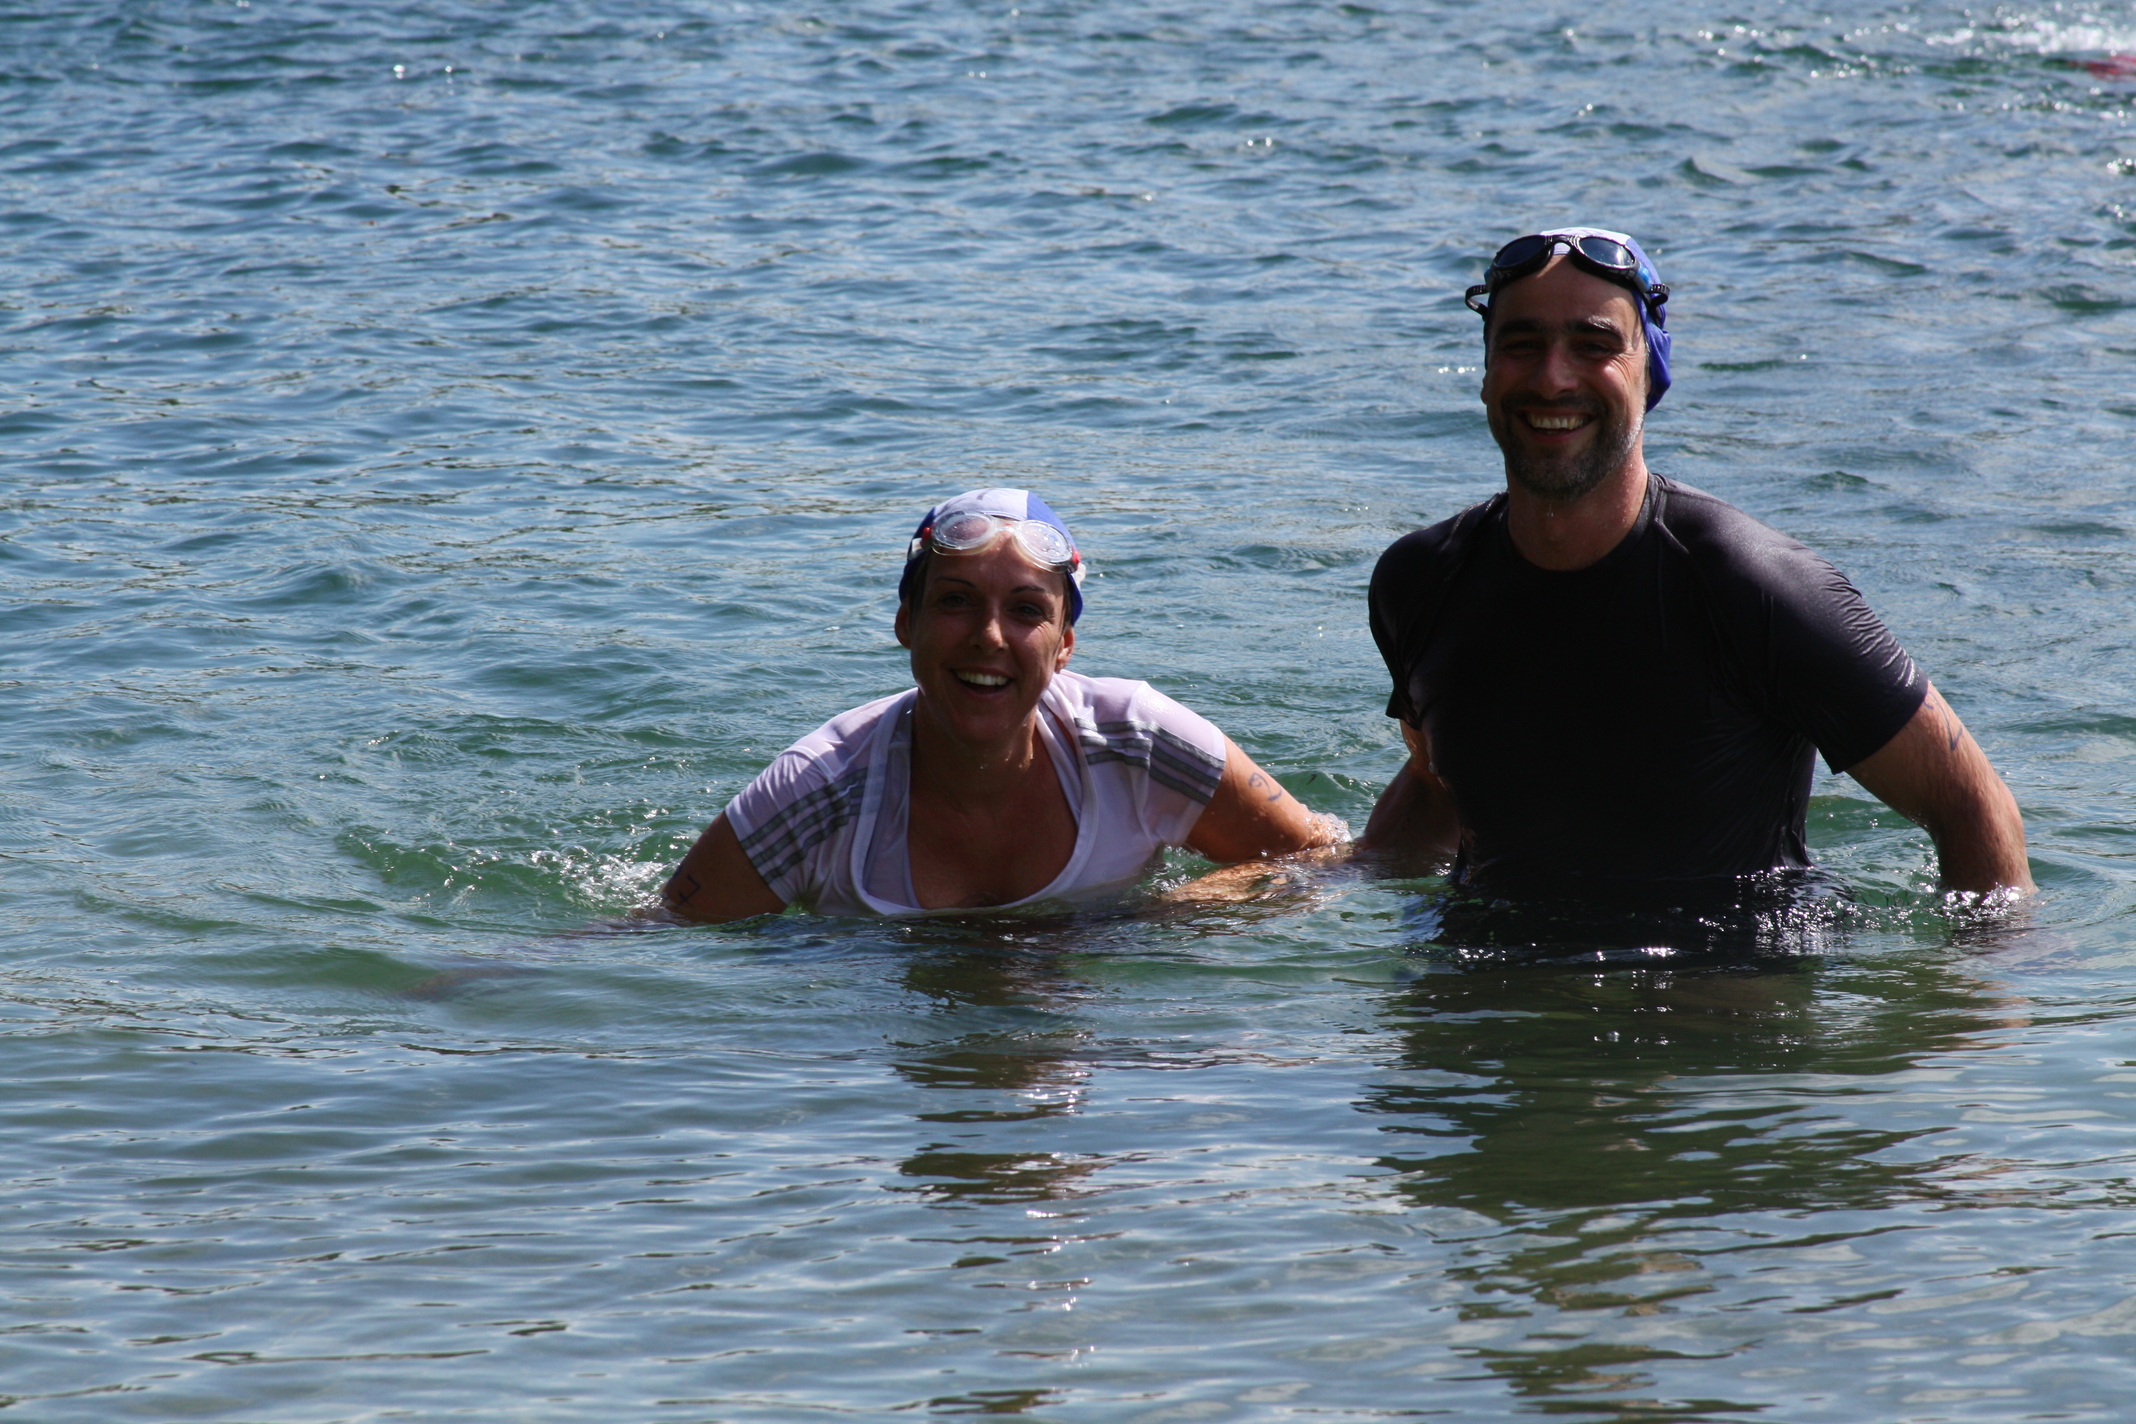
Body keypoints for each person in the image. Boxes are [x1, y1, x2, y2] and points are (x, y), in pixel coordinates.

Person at [1363, 227, 2032, 900]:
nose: (1553, 377)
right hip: (1486, 963)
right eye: (1521, 344)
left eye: (1594, 345)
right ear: (1486, 373)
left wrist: (1973, 969)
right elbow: (1435, 783)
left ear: (1650, 371)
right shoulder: (1420, 581)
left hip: (1717, 962)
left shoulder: (1761, 590)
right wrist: (1338, 878)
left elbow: (1972, 806)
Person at [664, 488, 1341, 920]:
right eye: (956, 601)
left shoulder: (1138, 740)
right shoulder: (817, 790)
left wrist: (1159, 919)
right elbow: (663, 941)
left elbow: (1324, 856)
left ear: (1065, 644)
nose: (989, 636)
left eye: (1025, 610)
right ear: (906, 623)